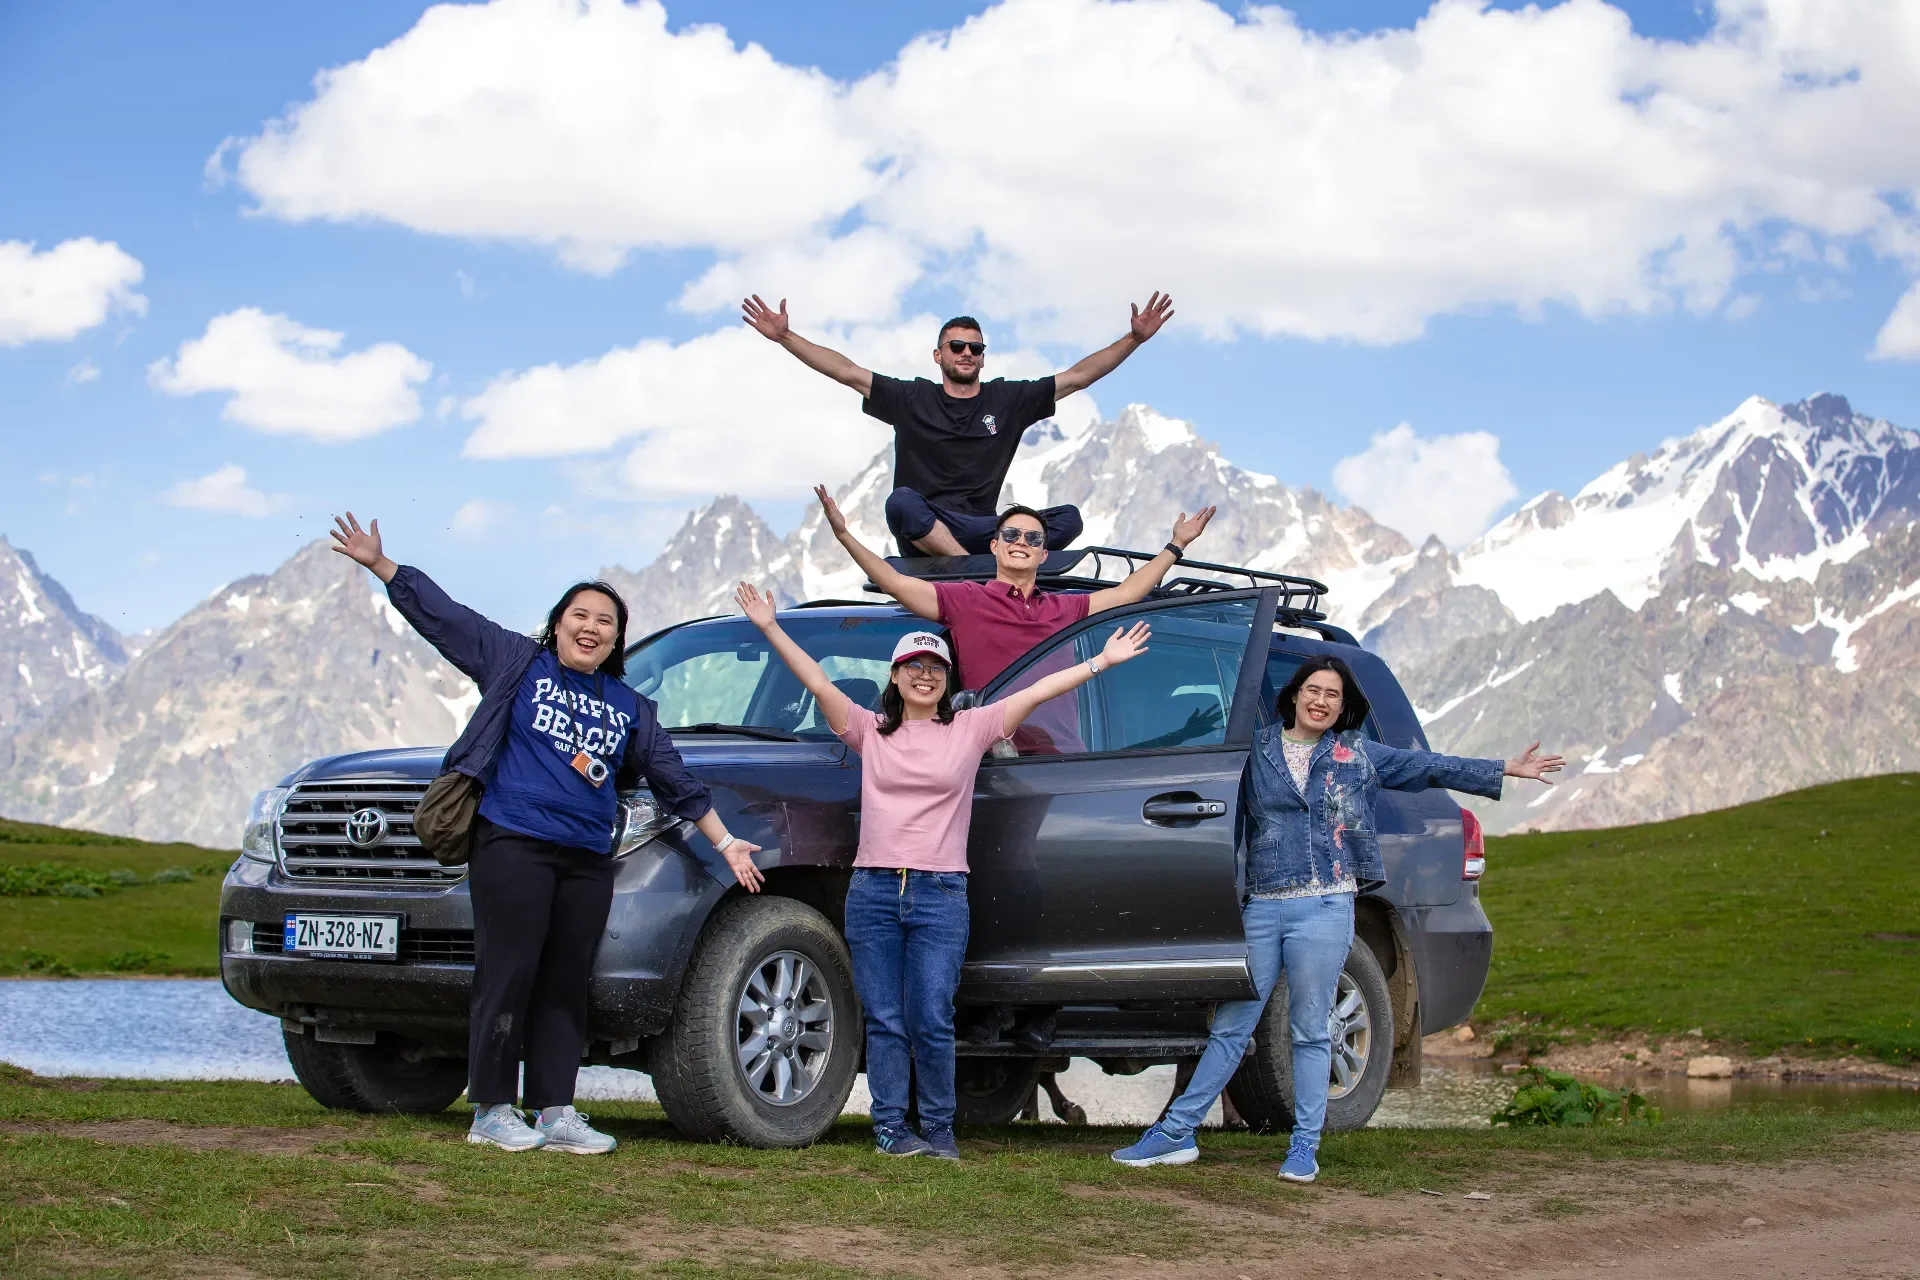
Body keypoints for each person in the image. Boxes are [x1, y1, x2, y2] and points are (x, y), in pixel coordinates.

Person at [329, 513, 764, 1155]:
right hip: (513, 845)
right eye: (580, 616)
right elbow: (448, 619)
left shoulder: (628, 706)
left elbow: (675, 777)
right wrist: (385, 568)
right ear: (558, 622)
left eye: (605, 622)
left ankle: (555, 1110)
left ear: (616, 639)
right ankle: (492, 1111)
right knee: (508, 973)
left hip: (587, 859)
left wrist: (725, 841)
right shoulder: (516, 662)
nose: (591, 627)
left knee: (566, 982)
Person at [733, 580, 1150, 1160]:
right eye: (913, 666)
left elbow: (1037, 691)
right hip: (873, 890)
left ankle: (938, 1129)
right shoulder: (867, 732)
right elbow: (817, 682)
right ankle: (890, 1130)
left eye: (935, 667)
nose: (924, 676)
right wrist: (770, 627)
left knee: (930, 1016)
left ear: (947, 679)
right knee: (883, 1019)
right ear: (896, 677)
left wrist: (1102, 661)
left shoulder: (971, 729)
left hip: (939, 894)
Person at [1111, 656, 1563, 1183]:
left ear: (1342, 707)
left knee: (1309, 1028)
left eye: (1333, 695)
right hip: (1263, 905)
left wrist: (1502, 768)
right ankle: (1176, 1134)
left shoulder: (1358, 754)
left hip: (1326, 906)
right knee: (1232, 1024)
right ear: (1295, 695)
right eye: (1313, 689)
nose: (1321, 700)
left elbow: (1429, 766)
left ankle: (1304, 1147)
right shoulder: (1257, 749)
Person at [743, 295, 1176, 556]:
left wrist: (1134, 339)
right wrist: (786, 337)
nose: (966, 352)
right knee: (901, 504)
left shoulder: (1008, 400)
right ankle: (974, 570)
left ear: (983, 356)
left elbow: (1078, 377)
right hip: (927, 529)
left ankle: (991, 560)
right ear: (939, 356)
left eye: (975, 347)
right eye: (956, 346)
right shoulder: (912, 398)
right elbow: (847, 371)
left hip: (984, 530)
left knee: (1068, 519)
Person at [814, 486, 1215, 693]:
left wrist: (1176, 545)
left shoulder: (1063, 607)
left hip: (1059, 757)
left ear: (1044, 554)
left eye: (1032, 537)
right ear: (995, 546)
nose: (1020, 541)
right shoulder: (965, 599)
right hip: (989, 754)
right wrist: (845, 535)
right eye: (1010, 534)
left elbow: (1128, 593)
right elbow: (896, 583)